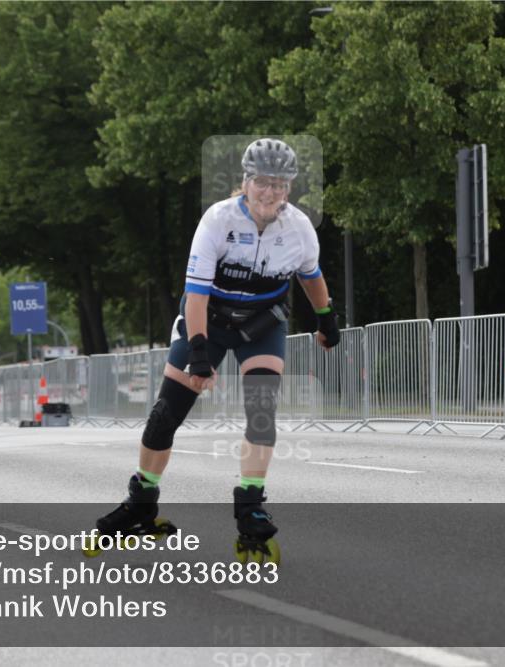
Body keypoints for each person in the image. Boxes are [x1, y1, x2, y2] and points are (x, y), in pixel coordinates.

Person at [89, 139, 340, 563]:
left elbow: (310, 276)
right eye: (262, 183)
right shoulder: (217, 221)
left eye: (279, 185)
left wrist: (326, 318)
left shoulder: (298, 228)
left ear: (290, 188)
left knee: (262, 408)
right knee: (166, 414)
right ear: (245, 182)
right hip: (209, 318)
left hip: (262, 324)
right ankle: (141, 502)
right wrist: (201, 353)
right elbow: (197, 296)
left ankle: (251, 506)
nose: (270, 193)